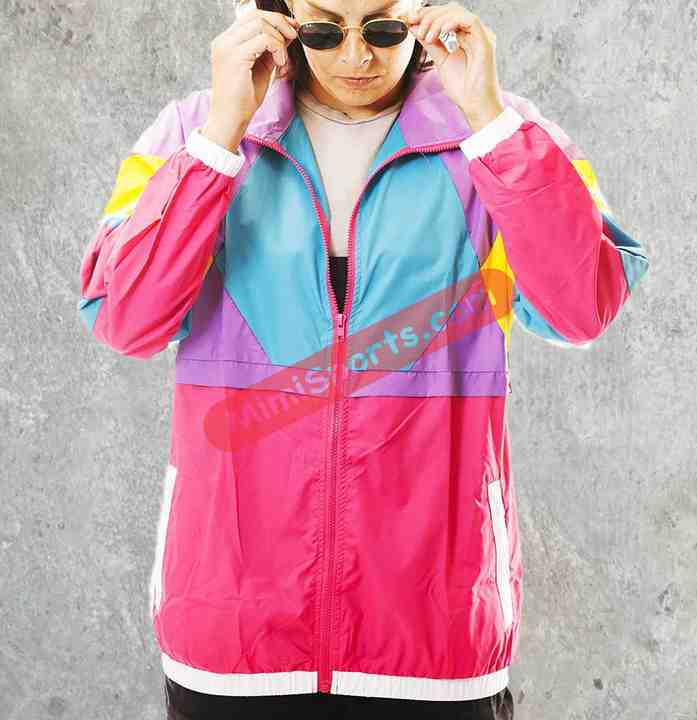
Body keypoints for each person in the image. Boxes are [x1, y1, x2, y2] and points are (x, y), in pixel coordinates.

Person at [77, 0, 650, 717]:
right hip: (233, 632)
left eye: (382, 28)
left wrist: (490, 121)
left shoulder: (502, 133)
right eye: (324, 29)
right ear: (280, 16)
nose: (355, 57)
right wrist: (221, 137)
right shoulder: (195, 131)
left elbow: (583, 307)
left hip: (434, 636)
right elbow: (125, 318)